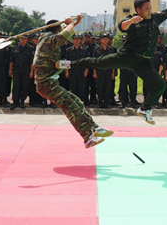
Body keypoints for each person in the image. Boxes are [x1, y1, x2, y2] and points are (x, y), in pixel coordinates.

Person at [58, 0, 167, 124]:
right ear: (138, 10)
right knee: (99, 62)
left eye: (150, 8)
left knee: (160, 85)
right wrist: (131, 21)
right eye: (146, 9)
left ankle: (145, 109)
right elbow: (122, 26)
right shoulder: (133, 20)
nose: (149, 11)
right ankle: (69, 64)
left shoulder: (155, 18)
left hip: (144, 62)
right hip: (128, 56)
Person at [34, 15, 113, 148]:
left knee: (76, 102)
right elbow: (63, 35)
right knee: (72, 106)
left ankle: (94, 128)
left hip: (50, 84)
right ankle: (88, 137)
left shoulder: (47, 42)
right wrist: (71, 24)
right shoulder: (48, 39)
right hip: (47, 84)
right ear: (56, 31)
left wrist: (74, 24)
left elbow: (63, 36)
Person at [9, 35, 35, 109]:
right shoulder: (15, 47)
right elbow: (11, 60)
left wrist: (31, 72)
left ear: (27, 39)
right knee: (16, 85)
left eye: (25, 39)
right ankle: (15, 102)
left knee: (25, 86)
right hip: (16, 69)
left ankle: (22, 101)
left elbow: (31, 62)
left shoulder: (30, 48)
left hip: (26, 69)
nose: (23, 40)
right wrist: (10, 69)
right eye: (22, 39)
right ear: (19, 39)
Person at [65, 34, 89, 103]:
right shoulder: (69, 50)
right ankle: (74, 103)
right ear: (72, 40)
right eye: (75, 39)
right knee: (73, 88)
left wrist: (86, 70)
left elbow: (87, 61)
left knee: (81, 88)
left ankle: (80, 102)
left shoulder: (84, 50)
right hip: (72, 72)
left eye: (78, 39)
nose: (77, 41)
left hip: (81, 71)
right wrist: (67, 72)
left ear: (80, 40)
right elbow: (66, 62)